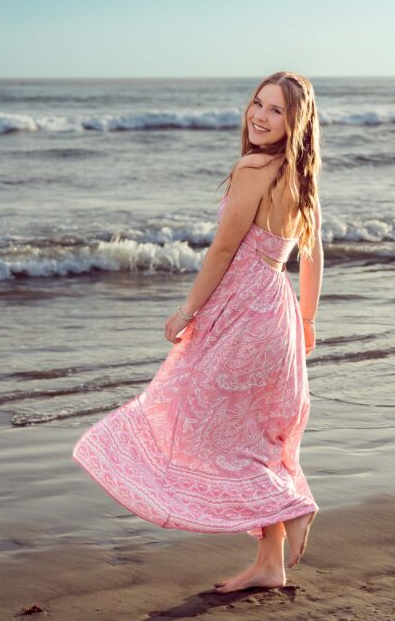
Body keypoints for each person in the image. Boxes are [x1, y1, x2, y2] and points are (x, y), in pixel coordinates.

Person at [72, 71, 323, 593]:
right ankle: (269, 563)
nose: (260, 115)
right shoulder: (300, 176)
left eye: (276, 110)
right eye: (258, 103)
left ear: (294, 121)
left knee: (203, 426)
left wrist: (187, 309)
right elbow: (313, 252)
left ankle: (294, 505)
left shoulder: (253, 168)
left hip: (242, 311)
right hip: (274, 312)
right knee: (251, 436)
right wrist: (305, 319)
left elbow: (224, 251)